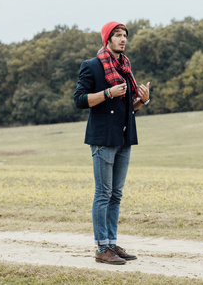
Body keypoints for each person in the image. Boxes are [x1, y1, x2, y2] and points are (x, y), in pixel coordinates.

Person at [74, 21, 150, 265]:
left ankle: (111, 242)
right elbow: (79, 100)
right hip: (102, 139)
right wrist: (107, 93)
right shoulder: (92, 66)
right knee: (103, 193)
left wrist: (141, 101)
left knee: (116, 193)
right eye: (117, 35)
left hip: (123, 138)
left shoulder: (125, 67)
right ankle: (101, 247)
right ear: (107, 39)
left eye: (125, 35)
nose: (122, 39)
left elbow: (128, 108)